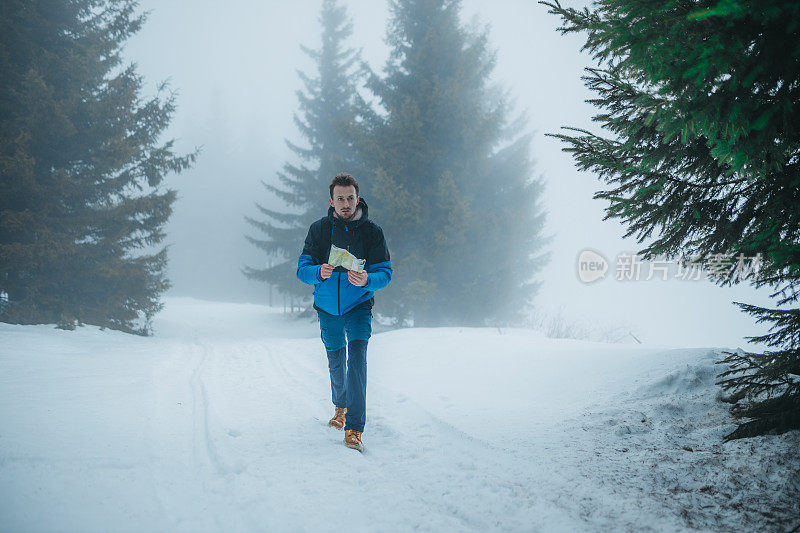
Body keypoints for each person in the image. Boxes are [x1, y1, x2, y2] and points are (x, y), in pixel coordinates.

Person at [296, 173, 392, 452]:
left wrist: (368, 280)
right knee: (336, 361)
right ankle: (340, 408)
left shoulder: (372, 232)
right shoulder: (319, 230)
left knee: (357, 362)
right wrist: (318, 272)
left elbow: (385, 272)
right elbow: (302, 270)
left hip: (358, 305)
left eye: (350, 198)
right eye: (340, 199)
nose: (346, 203)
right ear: (332, 201)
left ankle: (354, 428)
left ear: (357, 198)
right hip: (327, 307)